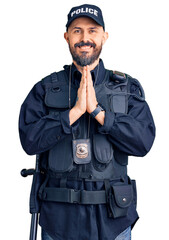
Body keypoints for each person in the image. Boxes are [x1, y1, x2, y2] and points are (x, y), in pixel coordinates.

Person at [19, 4, 156, 240]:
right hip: (59, 223)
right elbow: (29, 140)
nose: (85, 38)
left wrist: (98, 112)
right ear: (67, 37)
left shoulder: (126, 88)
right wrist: (73, 113)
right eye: (77, 30)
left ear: (104, 36)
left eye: (92, 30)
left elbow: (143, 141)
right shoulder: (45, 88)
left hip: (112, 222)